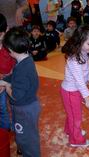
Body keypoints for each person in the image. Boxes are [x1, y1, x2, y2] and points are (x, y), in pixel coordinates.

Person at [0, 27, 41, 157]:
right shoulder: (26, 60)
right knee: (26, 134)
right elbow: (15, 77)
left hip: (24, 109)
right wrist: (6, 80)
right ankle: (24, 150)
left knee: (27, 138)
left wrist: (6, 86)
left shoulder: (22, 68)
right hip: (27, 107)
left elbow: (16, 95)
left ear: (11, 51)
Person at [61, 25, 89, 147]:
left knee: (72, 113)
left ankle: (69, 131)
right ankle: (75, 140)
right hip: (71, 92)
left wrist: (88, 78)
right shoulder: (73, 59)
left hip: (75, 90)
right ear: (79, 42)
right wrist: (88, 99)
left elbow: (85, 70)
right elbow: (79, 81)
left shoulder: (83, 52)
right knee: (76, 116)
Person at [0, 13, 16, 130]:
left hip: (10, 80)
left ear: (6, 30)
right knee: (2, 107)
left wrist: (8, 77)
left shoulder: (10, 45)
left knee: (14, 104)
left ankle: (12, 125)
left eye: (0, 34)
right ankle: (5, 127)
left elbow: (16, 63)